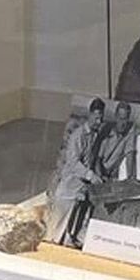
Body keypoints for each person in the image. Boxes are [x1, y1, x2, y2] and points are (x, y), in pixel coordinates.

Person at [47, 97, 110, 247]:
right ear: (90, 115)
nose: (98, 122)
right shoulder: (78, 136)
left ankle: (70, 238)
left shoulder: (95, 136)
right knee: (56, 226)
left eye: (101, 118)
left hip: (81, 187)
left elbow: (92, 159)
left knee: (76, 217)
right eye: (96, 118)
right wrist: (91, 175)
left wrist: (98, 175)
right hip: (69, 185)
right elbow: (73, 162)